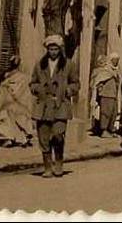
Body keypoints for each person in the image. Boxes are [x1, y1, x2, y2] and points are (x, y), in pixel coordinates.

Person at [29, 34, 79, 177]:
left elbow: (76, 83)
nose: (53, 52)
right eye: (51, 49)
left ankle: (58, 163)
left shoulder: (68, 64)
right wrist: (38, 89)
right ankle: (47, 167)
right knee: (44, 138)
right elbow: (32, 83)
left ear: (60, 49)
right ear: (47, 49)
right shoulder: (40, 64)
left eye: (56, 49)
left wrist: (68, 90)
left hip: (60, 105)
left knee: (58, 135)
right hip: (43, 106)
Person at [0, 55, 35, 147]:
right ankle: (18, 137)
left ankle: (17, 137)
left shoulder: (12, 78)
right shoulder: (20, 77)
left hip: (15, 104)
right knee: (11, 118)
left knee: (11, 118)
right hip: (14, 105)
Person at [90, 55, 121, 137]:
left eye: (117, 60)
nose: (116, 61)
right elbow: (98, 81)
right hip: (106, 95)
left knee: (113, 113)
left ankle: (110, 130)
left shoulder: (116, 70)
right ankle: (104, 130)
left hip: (114, 95)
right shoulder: (105, 70)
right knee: (105, 113)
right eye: (114, 60)